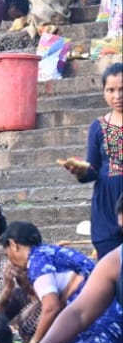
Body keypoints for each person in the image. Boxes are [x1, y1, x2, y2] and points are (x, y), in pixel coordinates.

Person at [0, 222, 121, 343]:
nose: (9, 260)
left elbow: (51, 307)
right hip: (105, 319)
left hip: (97, 326)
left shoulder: (37, 260)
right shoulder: (48, 253)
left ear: (13, 244)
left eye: (7, 253)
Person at [62, 64, 123, 259]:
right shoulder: (98, 127)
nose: (117, 96)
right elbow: (93, 169)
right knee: (112, 268)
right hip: (107, 208)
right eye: (110, 90)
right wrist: (80, 171)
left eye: (122, 89)